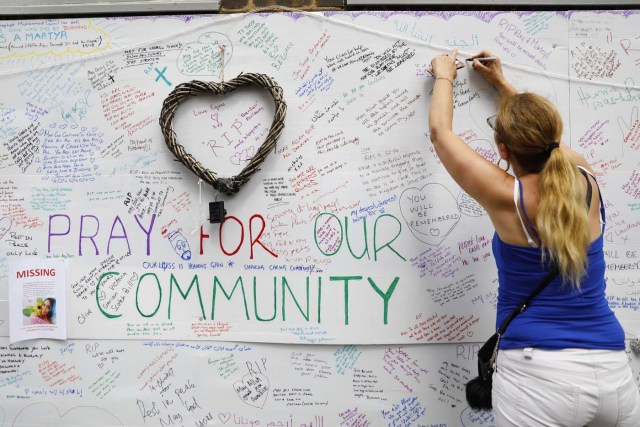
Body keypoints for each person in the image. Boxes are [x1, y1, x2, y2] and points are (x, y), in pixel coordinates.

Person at [428, 49, 640, 426]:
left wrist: (444, 74)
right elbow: (542, 138)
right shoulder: (584, 174)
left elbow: (441, 134)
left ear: (503, 149)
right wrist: (503, 85)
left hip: (538, 375)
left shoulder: (507, 197)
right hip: (614, 375)